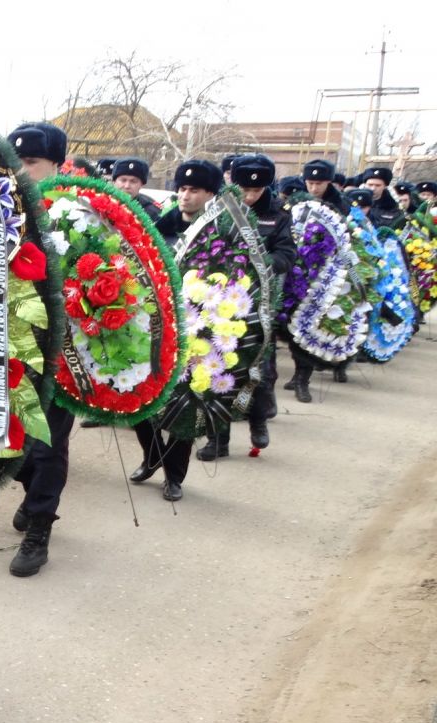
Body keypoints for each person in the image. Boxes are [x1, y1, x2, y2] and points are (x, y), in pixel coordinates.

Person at [2, 121, 76, 576]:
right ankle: (33, 493)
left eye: (30, 163)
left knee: (49, 442)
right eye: (15, 162)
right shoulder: (1, 210)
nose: (20, 171)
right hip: (8, 343)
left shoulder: (77, 214)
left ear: (56, 165)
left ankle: (40, 527)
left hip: (62, 349)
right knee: (6, 441)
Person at [130, 159, 222, 502]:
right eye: (181, 189)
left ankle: (174, 476)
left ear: (210, 194)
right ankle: (153, 456)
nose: (185, 196)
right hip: (153, 328)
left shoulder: (219, 234)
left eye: (194, 190)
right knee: (138, 400)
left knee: (187, 406)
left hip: (200, 332)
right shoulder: (157, 227)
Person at [197, 154, 297, 459]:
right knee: (217, 368)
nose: (250, 196)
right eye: (244, 190)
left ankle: (258, 420)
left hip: (259, 302)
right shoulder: (218, 209)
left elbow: (287, 253)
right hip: (219, 301)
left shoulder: (279, 214)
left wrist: (261, 265)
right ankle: (218, 441)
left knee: (258, 369)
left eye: (256, 191)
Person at [284, 159, 346, 399]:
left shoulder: (340, 206)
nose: (314, 188)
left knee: (309, 326)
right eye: (310, 182)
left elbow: (345, 242)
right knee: (289, 327)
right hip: (295, 273)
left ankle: (303, 379)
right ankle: (297, 374)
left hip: (323, 277)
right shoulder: (296, 202)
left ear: (329, 182)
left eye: (319, 183)